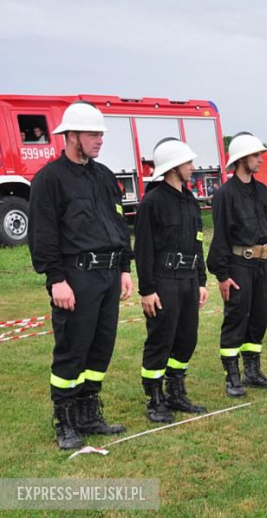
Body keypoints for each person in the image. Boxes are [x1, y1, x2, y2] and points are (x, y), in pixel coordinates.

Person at [28, 101, 132, 450]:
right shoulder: (49, 179)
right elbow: (43, 235)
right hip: (76, 277)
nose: (99, 139)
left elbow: (118, 223)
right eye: (92, 134)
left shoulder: (103, 176)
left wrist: (124, 269)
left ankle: (89, 412)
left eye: (101, 133)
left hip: (108, 274)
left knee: (101, 348)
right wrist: (56, 279)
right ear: (71, 136)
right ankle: (65, 419)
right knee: (72, 349)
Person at [134, 138, 208, 422]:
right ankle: (154, 399)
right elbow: (143, 250)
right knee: (160, 339)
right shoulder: (152, 202)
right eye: (188, 162)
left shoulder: (189, 200)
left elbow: (198, 242)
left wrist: (201, 281)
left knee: (187, 337)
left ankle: (176, 391)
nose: (192, 167)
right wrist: (148, 290)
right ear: (174, 166)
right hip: (164, 280)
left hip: (189, 279)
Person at [207, 132, 267, 396]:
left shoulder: (261, 191)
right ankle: (232, 376)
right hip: (239, 265)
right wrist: (222, 274)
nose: (260, 159)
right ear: (241, 159)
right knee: (237, 318)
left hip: (262, 265)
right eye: (255, 155)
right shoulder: (226, 194)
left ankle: (252, 371)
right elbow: (221, 236)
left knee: (259, 317)